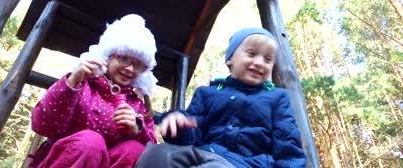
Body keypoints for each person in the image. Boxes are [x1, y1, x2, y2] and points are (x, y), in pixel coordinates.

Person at [136, 27, 306, 168]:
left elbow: (288, 148)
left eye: (268, 59)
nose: (260, 62)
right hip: (201, 153)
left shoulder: (276, 98)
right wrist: (179, 125)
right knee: (156, 154)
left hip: (246, 164)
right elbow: (193, 135)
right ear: (230, 59)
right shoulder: (207, 93)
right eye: (252, 54)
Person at [29, 14, 159, 168]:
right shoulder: (81, 86)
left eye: (139, 65)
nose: (130, 69)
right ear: (108, 56)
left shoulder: (138, 106)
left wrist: (138, 131)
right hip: (67, 159)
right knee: (91, 143)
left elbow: (152, 153)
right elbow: (42, 125)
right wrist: (71, 83)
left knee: (135, 150)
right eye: (124, 58)